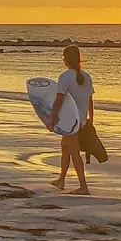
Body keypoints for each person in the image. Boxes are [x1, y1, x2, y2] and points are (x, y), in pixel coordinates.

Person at [47, 45, 93, 195]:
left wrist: (52, 119)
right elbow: (90, 100)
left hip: (70, 121)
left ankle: (83, 186)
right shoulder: (86, 77)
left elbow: (59, 99)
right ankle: (61, 179)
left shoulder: (65, 77)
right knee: (65, 146)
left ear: (66, 59)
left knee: (74, 152)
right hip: (80, 119)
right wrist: (90, 119)